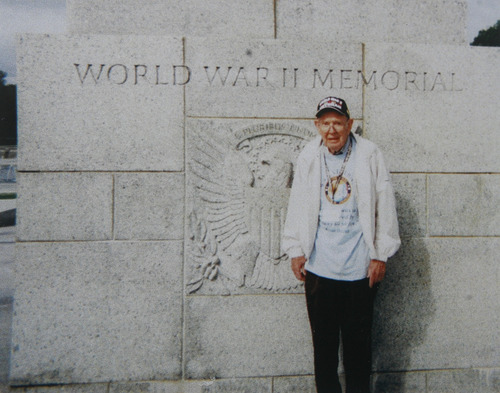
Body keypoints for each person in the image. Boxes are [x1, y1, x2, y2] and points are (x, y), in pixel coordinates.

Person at [282, 96, 400, 393]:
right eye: (325, 122)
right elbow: (297, 204)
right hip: (319, 270)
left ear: (350, 124)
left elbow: (385, 204)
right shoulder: (309, 155)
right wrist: (296, 249)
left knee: (358, 353)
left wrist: (381, 255)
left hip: (359, 271)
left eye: (337, 122)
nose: (331, 129)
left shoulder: (369, 154)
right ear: (317, 125)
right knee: (323, 353)